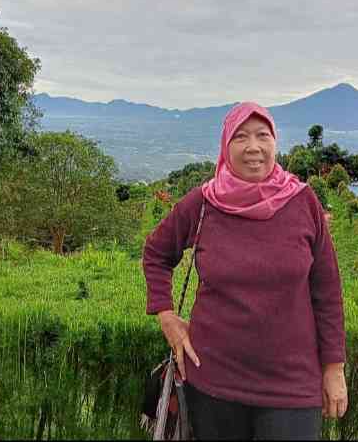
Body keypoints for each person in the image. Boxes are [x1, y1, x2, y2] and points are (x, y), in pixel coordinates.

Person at [143, 101, 347, 440]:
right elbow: (156, 253)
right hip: (214, 382)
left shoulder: (302, 202)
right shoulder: (204, 203)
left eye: (262, 135)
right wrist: (167, 317)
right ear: (225, 146)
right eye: (241, 137)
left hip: (292, 385)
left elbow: (327, 291)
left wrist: (334, 368)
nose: (253, 147)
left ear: (274, 142)